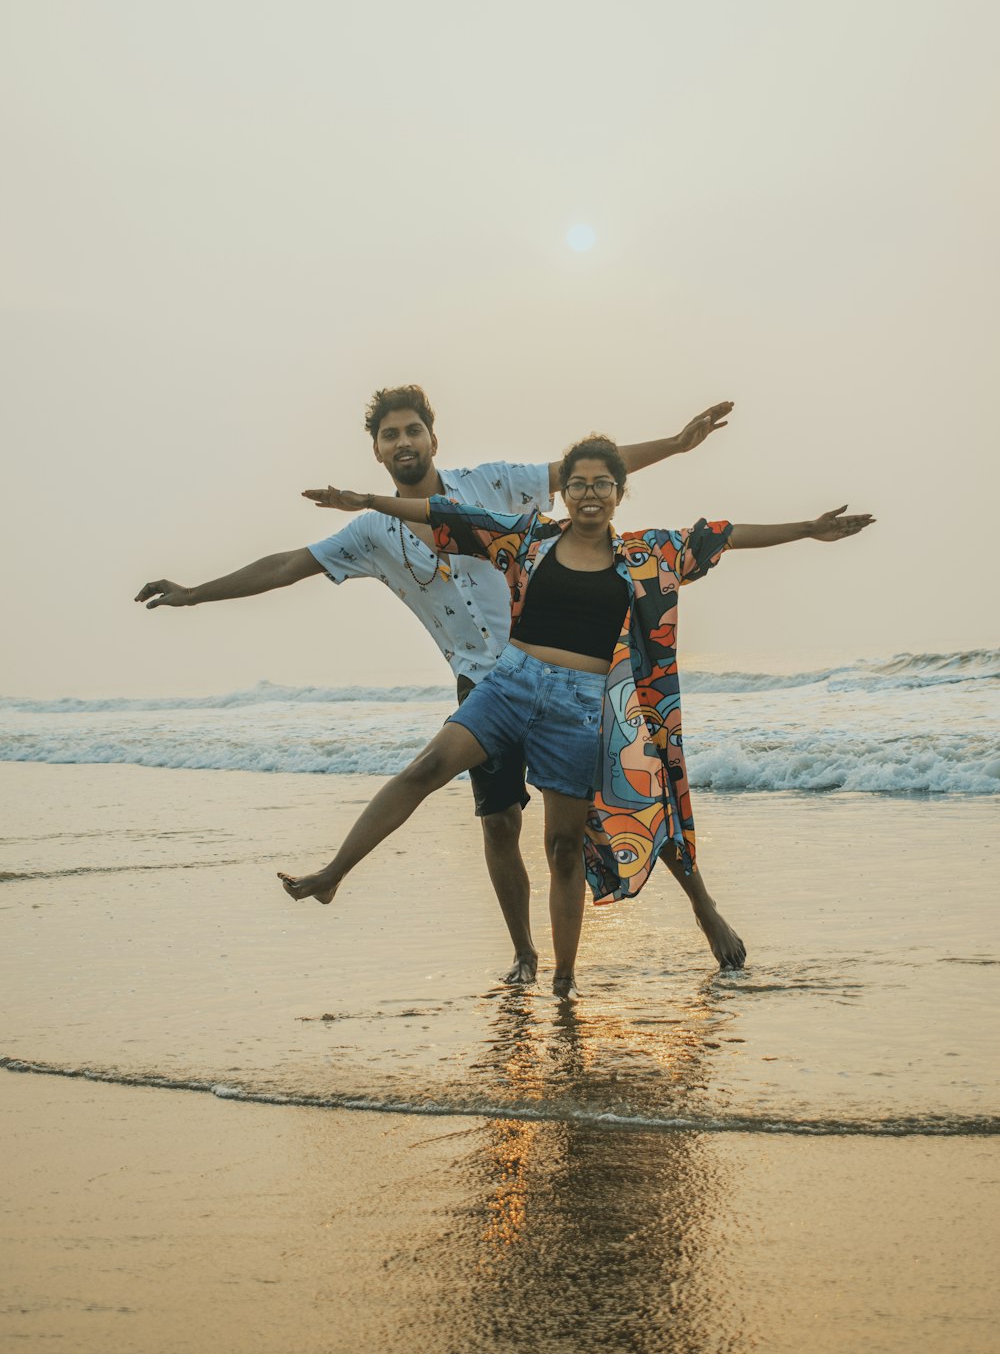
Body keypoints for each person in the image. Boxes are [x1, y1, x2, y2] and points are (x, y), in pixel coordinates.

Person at [135, 384, 736, 982]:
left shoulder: (492, 484)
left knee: (630, 800)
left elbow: (586, 472)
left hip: (570, 674)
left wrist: (680, 445)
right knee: (499, 822)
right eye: (390, 434)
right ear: (376, 450)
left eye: (412, 430)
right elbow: (288, 565)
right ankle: (526, 956)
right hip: (484, 685)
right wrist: (193, 595)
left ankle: (703, 908)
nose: (403, 442)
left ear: (432, 438)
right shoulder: (370, 533)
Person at [280, 434, 874, 999]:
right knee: (428, 766)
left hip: (582, 706)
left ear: (620, 492)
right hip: (510, 683)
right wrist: (367, 501)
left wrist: (808, 530)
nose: (591, 494)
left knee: (564, 847)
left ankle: (563, 980)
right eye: (580, 484)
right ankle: (333, 874)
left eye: (604, 484)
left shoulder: (650, 553)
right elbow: (452, 516)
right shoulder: (530, 538)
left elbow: (721, 534)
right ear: (564, 493)